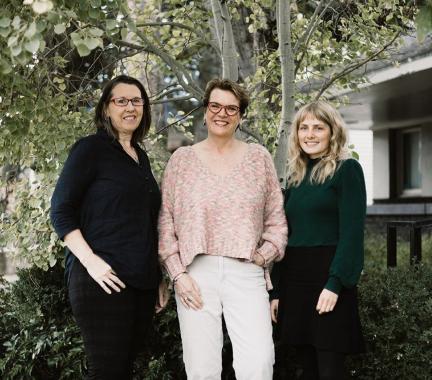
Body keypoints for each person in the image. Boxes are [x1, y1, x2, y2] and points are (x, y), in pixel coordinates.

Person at [158, 78, 288, 380]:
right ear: (205, 111)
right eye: (215, 106)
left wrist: (264, 255)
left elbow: (277, 221)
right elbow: (166, 224)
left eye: (232, 108)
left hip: (246, 270)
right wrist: (178, 274)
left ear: (240, 116)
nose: (222, 113)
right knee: (202, 370)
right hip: (195, 274)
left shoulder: (259, 158)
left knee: (258, 364)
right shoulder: (182, 161)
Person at [50, 75, 169, 380]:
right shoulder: (90, 149)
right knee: (107, 373)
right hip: (101, 279)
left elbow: (144, 223)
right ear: (106, 108)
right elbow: (61, 211)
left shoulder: (140, 158)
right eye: (122, 101)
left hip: (140, 284)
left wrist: (157, 277)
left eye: (137, 101)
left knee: (124, 371)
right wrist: (92, 263)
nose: (130, 107)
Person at [270, 100, 366, 380]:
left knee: (330, 370)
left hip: (328, 280)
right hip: (295, 281)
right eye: (304, 127)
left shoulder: (347, 170)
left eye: (318, 127)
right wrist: (276, 291)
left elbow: (352, 233)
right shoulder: (296, 178)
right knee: (306, 369)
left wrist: (335, 284)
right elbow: (284, 236)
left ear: (332, 132)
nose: (309, 134)